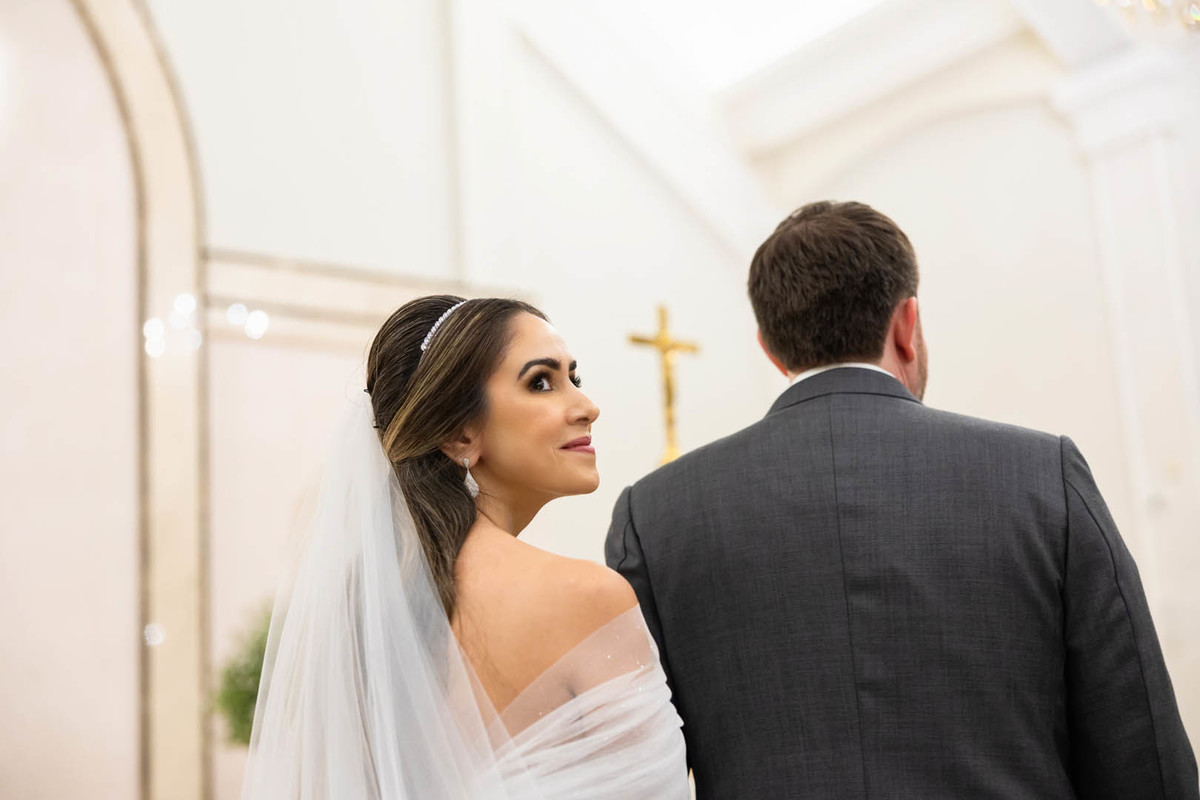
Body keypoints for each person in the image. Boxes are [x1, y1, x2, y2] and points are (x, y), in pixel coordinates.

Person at [607, 201, 1199, 799]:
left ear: (770, 348)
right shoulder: (1043, 474)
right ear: (906, 323)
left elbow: (629, 776)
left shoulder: (655, 516)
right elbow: (1143, 754)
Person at [244, 296, 689, 799]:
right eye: (541, 381)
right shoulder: (586, 597)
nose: (587, 407)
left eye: (574, 378)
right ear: (459, 435)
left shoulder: (363, 614)